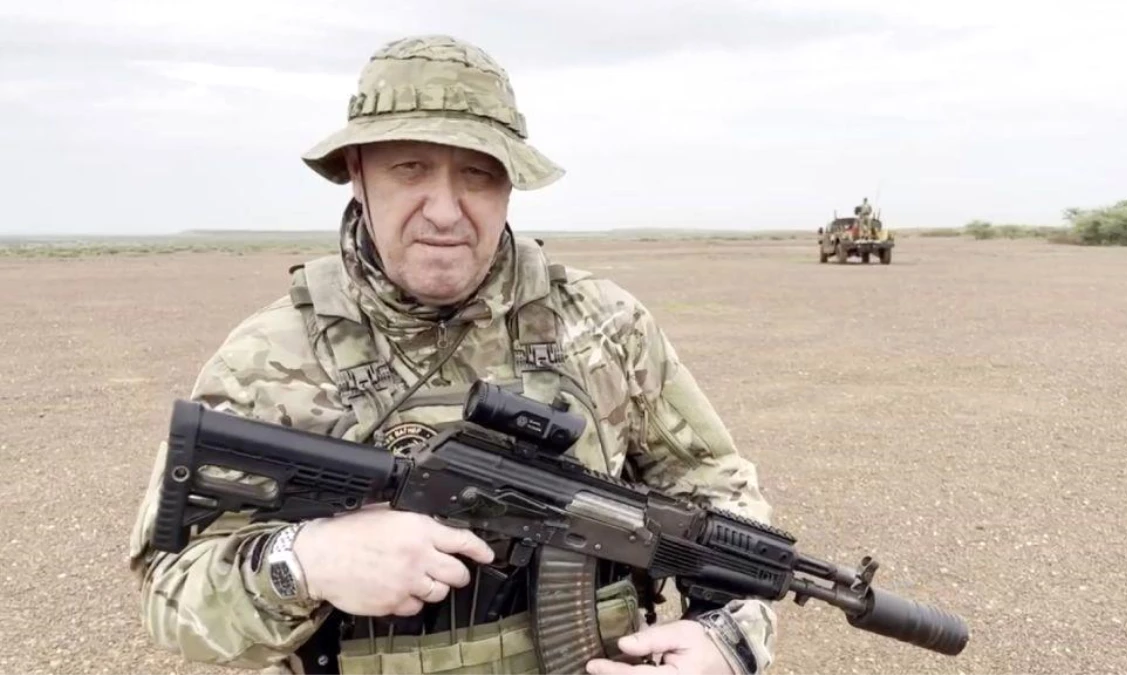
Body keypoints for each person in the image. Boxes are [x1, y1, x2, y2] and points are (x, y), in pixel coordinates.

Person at [128, 34, 778, 675]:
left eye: (477, 174)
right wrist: (306, 561)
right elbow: (170, 594)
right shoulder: (269, 357)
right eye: (410, 168)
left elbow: (715, 489)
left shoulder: (606, 327)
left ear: (509, 185)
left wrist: (729, 638)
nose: (445, 211)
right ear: (357, 172)